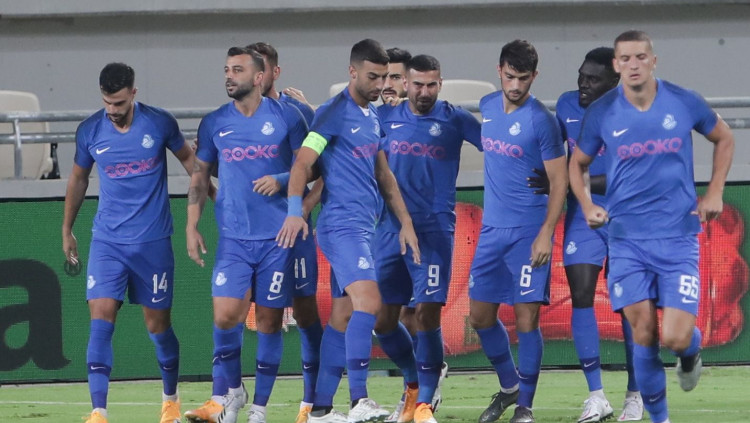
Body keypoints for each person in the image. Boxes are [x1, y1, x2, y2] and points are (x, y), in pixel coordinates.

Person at [569, 30, 734, 423]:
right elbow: (577, 164)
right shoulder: (602, 112)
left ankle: (689, 352)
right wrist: (587, 204)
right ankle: (661, 419)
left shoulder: (683, 100)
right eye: (625, 59)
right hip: (626, 242)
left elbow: (724, 138)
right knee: (643, 332)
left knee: (675, 336)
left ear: (653, 61)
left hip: (678, 238)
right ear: (616, 65)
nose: (634, 65)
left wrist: (714, 192)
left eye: (641, 57)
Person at [276, 38, 420, 423]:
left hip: (364, 229)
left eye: (384, 77)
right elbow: (302, 164)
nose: (380, 85)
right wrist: (295, 211)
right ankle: (360, 400)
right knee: (369, 304)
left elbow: (384, 175)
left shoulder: (371, 117)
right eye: (372, 76)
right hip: (342, 227)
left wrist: (405, 223)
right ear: (352, 72)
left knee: (341, 318)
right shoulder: (332, 113)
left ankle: (321, 410)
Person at [183, 41, 323, 423]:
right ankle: (233, 392)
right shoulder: (214, 122)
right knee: (225, 316)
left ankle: (259, 408)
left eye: (238, 70)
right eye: (227, 70)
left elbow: (312, 167)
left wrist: (281, 180)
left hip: (278, 237)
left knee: (269, 323)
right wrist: (192, 224)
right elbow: (200, 175)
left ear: (260, 77)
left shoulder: (288, 117)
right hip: (234, 237)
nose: (230, 77)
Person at [62, 62, 195, 423]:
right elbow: (78, 179)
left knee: (157, 326)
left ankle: (170, 401)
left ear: (134, 94)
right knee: (100, 319)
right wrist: (67, 229)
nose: (112, 110)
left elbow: (190, 161)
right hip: (108, 242)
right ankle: (98, 411)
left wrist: (212, 195)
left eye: (119, 103)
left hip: (153, 242)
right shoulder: (90, 131)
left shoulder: (160, 123)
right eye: (107, 102)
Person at [373, 54, 482, 423]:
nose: (424, 91)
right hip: (389, 230)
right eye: (417, 84)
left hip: (434, 231)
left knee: (426, 313)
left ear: (440, 84)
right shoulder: (383, 118)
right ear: (405, 83)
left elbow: (496, 147)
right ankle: (414, 382)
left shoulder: (456, 119)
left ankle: (424, 402)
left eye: (431, 85)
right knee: (383, 321)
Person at [468, 40, 568, 423]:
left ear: (534, 77)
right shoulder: (488, 106)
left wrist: (546, 233)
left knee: (527, 319)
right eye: (510, 76)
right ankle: (510, 386)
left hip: (528, 232)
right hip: (492, 231)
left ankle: (525, 405)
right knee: (479, 317)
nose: (515, 85)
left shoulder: (542, 121)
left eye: (523, 78)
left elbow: (559, 182)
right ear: (499, 71)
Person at [556, 47, 644, 422]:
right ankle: (596, 395)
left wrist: (570, 181)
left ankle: (635, 394)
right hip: (582, 214)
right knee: (581, 293)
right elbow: (554, 156)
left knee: (629, 304)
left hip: (626, 214)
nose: (583, 85)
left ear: (614, 81)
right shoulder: (566, 106)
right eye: (581, 76)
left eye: (592, 79)